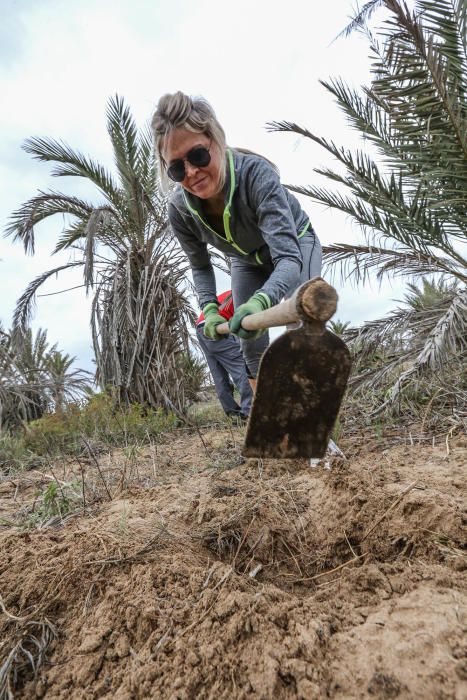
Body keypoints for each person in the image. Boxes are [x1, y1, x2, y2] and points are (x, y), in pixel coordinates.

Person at [151, 91, 322, 386]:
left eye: (198, 155)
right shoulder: (180, 209)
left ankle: (318, 423)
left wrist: (261, 301)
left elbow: (288, 259)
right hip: (246, 260)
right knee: (251, 346)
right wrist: (210, 309)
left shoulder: (257, 175)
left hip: (295, 246)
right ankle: (268, 422)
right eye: (177, 168)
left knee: (302, 323)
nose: (191, 172)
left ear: (215, 140)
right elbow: (201, 267)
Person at [196, 290, 253, 420]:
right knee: (242, 366)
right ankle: (251, 410)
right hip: (216, 326)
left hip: (201, 328)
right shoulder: (245, 292)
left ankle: (232, 413)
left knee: (219, 374)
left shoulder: (235, 290)